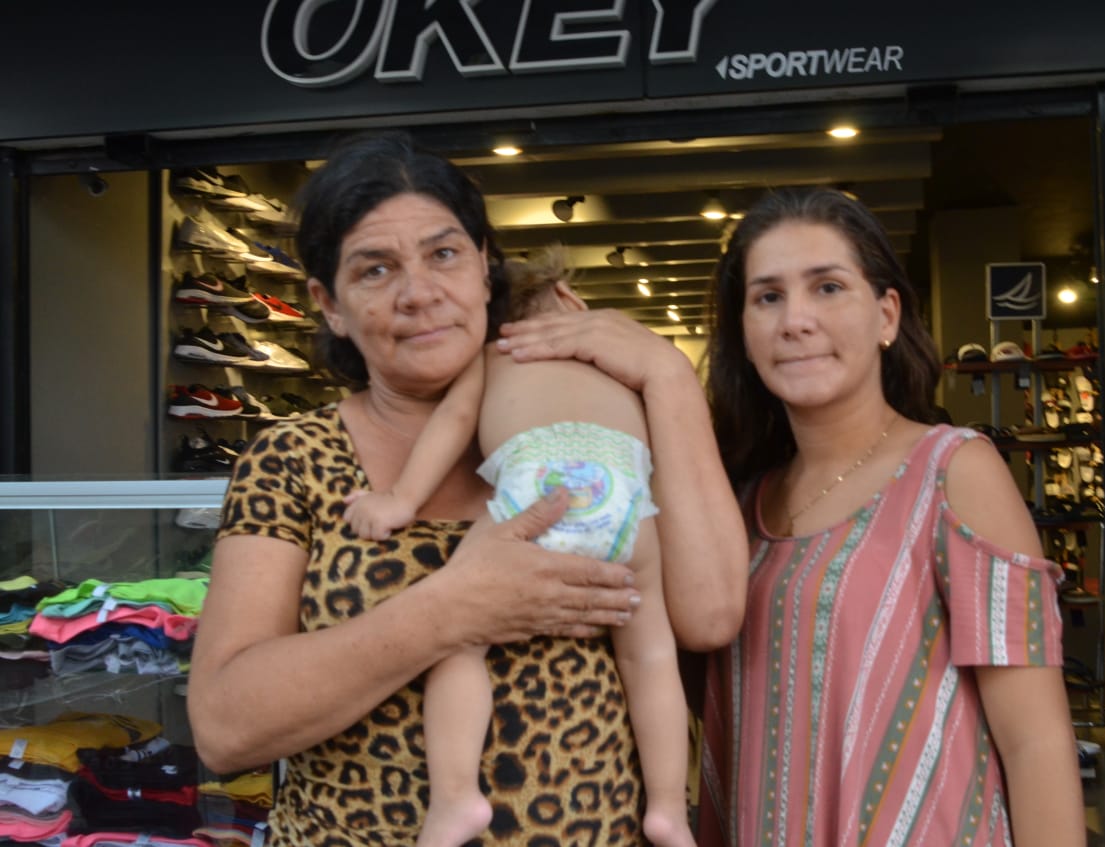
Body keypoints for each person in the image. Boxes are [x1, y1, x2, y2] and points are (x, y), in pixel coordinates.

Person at [186, 130, 747, 847]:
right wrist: (448, 611)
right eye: (375, 269)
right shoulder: (294, 458)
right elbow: (226, 728)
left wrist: (668, 376)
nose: (420, 293)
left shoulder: (590, 427)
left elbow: (708, 617)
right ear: (328, 304)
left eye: (444, 254)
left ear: (484, 267)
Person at [692, 186, 1086, 845]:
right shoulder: (737, 503)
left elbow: (1037, 742)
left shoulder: (952, 471)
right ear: (745, 334)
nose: (795, 319)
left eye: (827, 287)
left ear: (886, 315)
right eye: (768, 296)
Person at [342, 246, 698, 847]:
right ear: (568, 300)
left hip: (535, 495)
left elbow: (453, 425)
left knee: (459, 640)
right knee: (651, 656)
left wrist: (400, 500)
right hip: (622, 505)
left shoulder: (492, 356)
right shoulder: (622, 366)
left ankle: (455, 799)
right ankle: (668, 810)